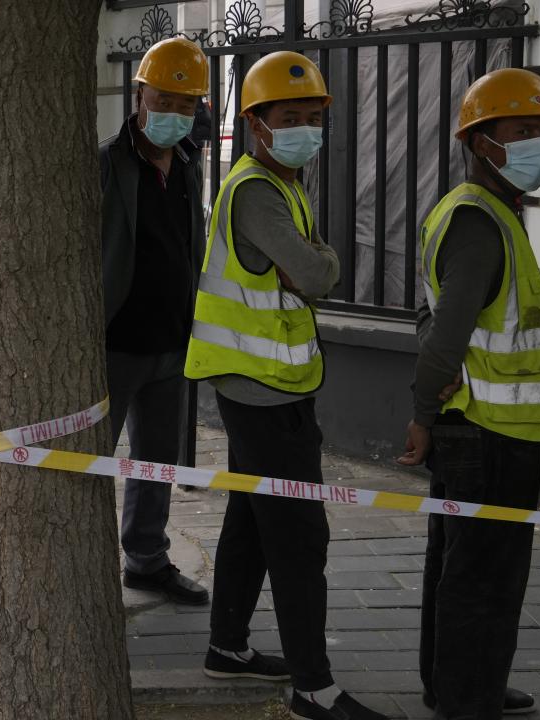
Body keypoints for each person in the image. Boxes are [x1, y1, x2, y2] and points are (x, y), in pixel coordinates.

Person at [183, 51, 384, 720]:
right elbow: (317, 273)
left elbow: (309, 269)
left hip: (268, 383)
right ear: (256, 124)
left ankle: (227, 646)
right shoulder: (259, 192)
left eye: (312, 117)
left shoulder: (282, 182)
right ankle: (313, 689)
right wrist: (317, 262)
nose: (304, 129)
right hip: (263, 391)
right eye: (289, 117)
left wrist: (312, 263)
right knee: (299, 535)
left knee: (250, 516)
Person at [397, 67, 540, 719]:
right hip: (490, 435)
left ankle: (454, 687)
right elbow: (446, 337)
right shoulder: (478, 223)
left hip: (485, 425)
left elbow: (468, 322)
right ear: (479, 141)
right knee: (485, 576)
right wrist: (421, 415)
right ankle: (469, 700)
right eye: (522, 131)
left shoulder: (486, 211)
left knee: (459, 564)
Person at [100, 37, 210, 606]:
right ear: (140, 95)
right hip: (114, 343)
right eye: (163, 100)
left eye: (186, 104)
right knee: (91, 460)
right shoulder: (107, 162)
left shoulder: (189, 162)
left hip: (171, 341)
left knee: (158, 462)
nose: (174, 113)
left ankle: (146, 559)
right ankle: (86, 565)